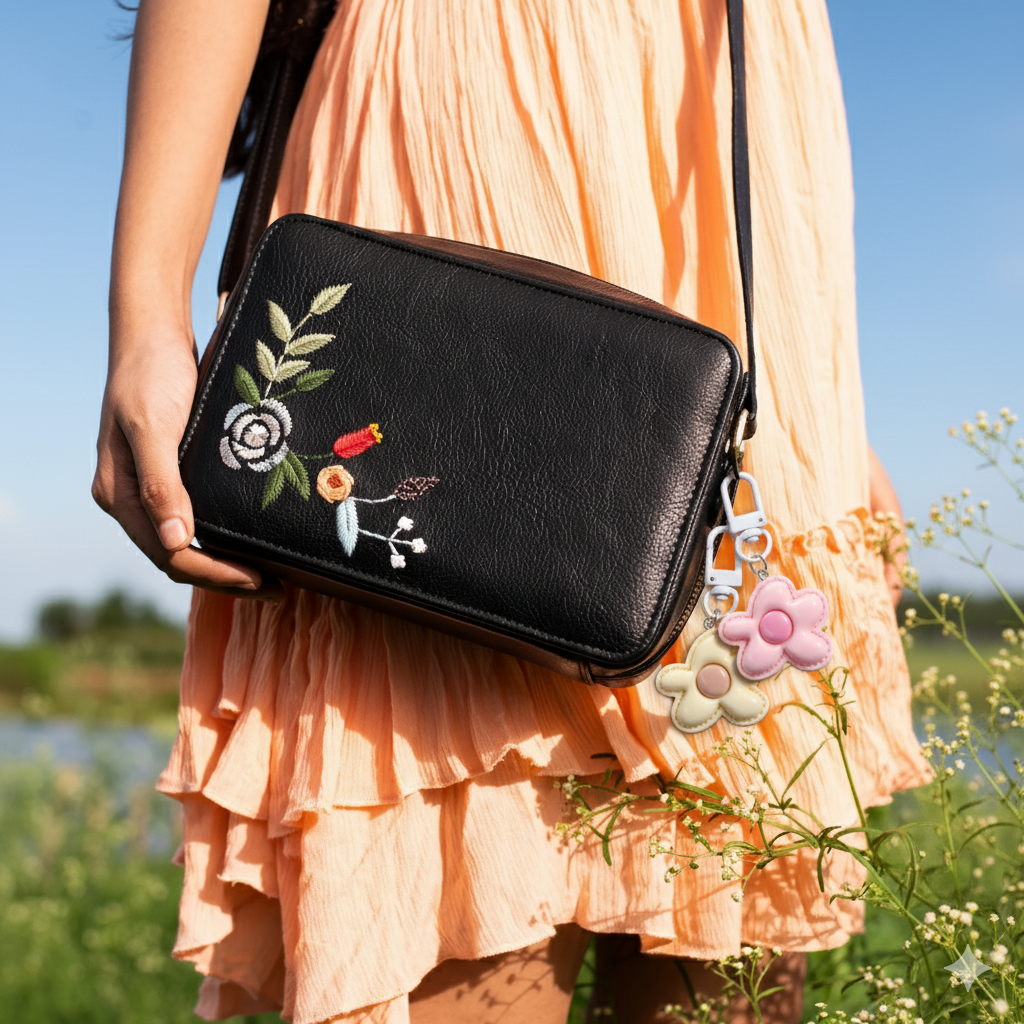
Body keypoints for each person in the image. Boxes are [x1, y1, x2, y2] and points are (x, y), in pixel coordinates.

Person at [93, 2, 929, 1021]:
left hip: (734, 132)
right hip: (478, 116)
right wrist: (146, 320)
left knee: (730, 945)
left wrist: (823, 421)